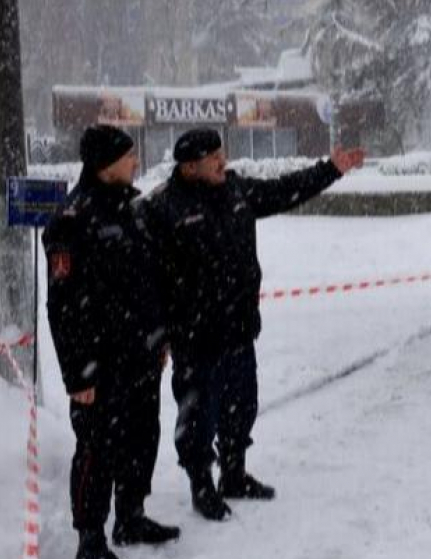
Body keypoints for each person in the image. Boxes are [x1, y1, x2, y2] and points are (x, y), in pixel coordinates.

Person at [143, 128, 364, 521]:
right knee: (198, 417)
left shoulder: (236, 190)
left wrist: (331, 169)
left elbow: (284, 190)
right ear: (190, 167)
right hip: (195, 337)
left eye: (222, 153)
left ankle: (234, 473)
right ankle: (201, 485)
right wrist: (158, 334)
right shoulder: (162, 208)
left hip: (239, 328)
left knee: (241, 407)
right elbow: (150, 282)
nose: (222, 161)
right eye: (213, 157)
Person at [43, 125, 180, 559]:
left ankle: (131, 516)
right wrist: (77, 376)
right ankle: (90, 541)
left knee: (142, 437)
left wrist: (159, 337)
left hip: (140, 356)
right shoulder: (72, 219)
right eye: (128, 156)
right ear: (105, 164)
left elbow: (151, 281)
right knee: (98, 451)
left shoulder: (133, 209)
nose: (136, 162)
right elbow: (62, 307)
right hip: (99, 366)